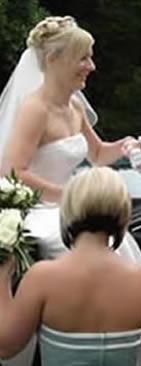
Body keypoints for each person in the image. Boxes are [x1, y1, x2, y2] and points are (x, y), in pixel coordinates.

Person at [0, 15, 141, 366]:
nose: (91, 66)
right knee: (90, 239)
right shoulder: (35, 109)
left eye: (90, 57)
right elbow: (11, 171)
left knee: (122, 241)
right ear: (53, 60)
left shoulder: (74, 105)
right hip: (42, 207)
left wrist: (124, 145)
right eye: (83, 57)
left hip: (71, 202)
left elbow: (95, 154)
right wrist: (68, 197)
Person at [1, 166, 141, 366]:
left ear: (69, 208)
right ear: (122, 212)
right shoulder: (138, 280)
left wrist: (2, 277)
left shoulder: (42, 277)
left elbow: (6, 347)